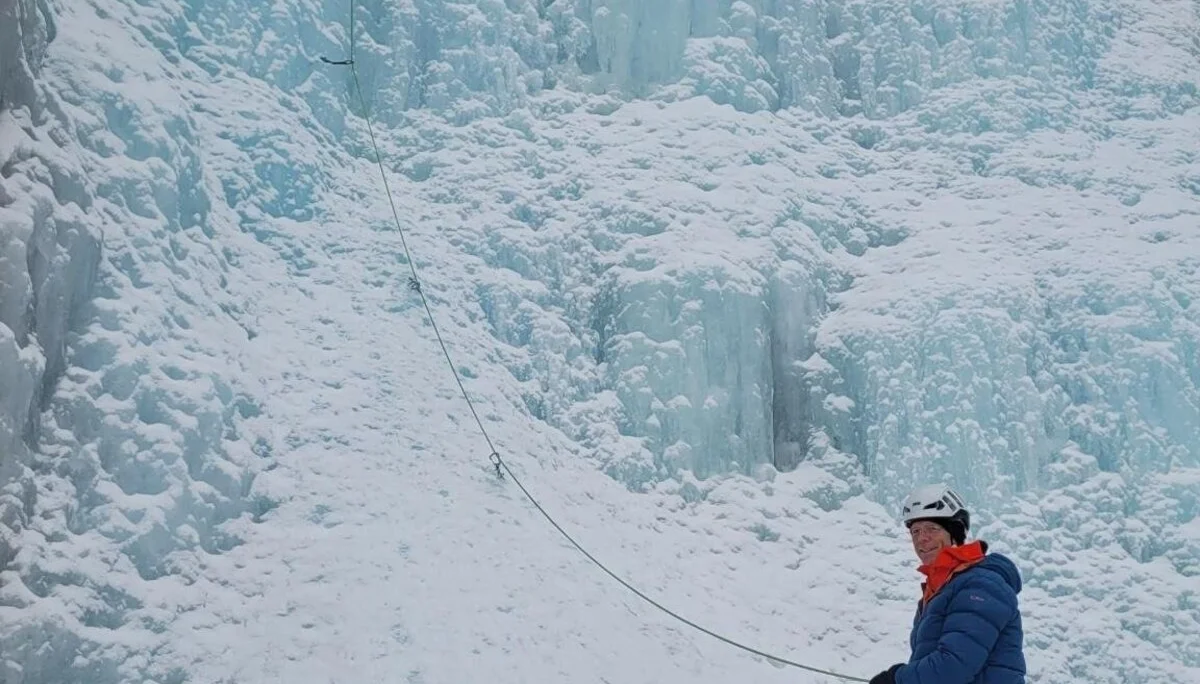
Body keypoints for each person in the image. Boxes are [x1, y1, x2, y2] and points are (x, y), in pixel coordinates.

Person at [869, 484, 1026, 684]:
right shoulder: (939, 590)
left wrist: (896, 678)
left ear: (955, 532)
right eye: (915, 531)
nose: (922, 538)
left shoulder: (981, 585)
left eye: (932, 529)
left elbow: (953, 667)